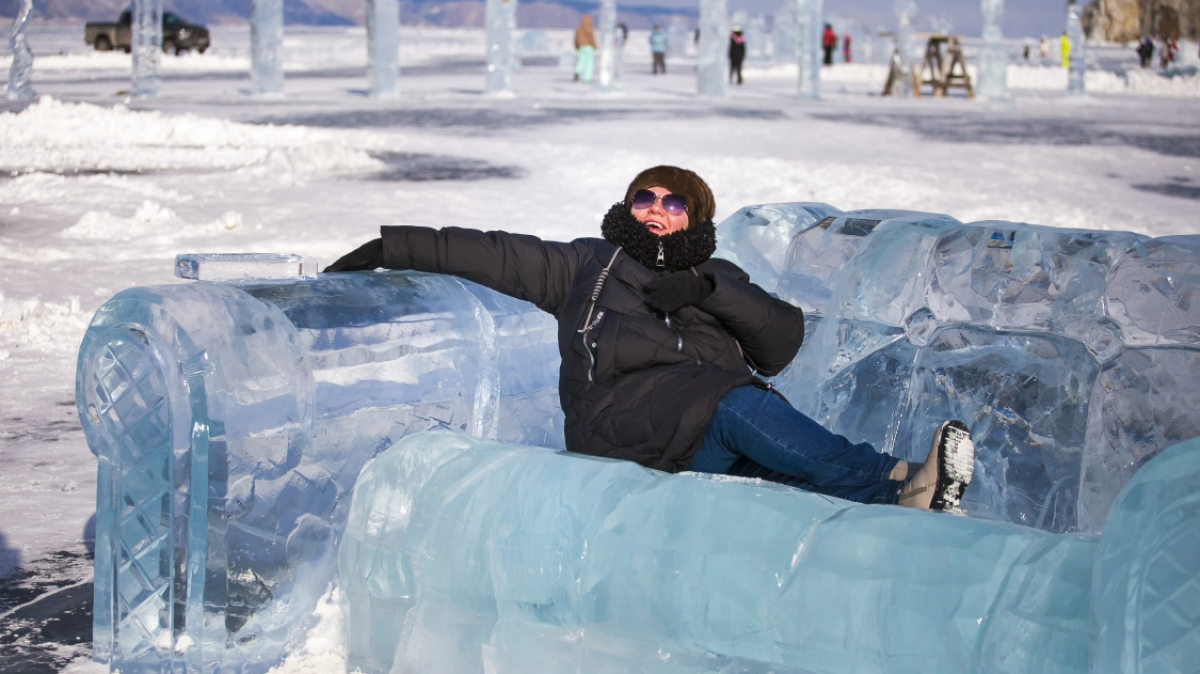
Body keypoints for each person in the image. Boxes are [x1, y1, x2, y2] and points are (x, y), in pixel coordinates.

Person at [324, 166, 977, 512]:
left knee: (770, 460)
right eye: (645, 198)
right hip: (618, 427)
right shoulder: (586, 263)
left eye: (674, 202)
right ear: (627, 208)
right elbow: (491, 252)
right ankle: (893, 479)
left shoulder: (717, 275)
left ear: (694, 217)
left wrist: (708, 292)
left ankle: (896, 501)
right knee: (735, 400)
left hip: (695, 434)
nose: (657, 210)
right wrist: (392, 244)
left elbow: (781, 340)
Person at [574, 15, 597, 83]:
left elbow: (575, 39)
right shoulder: (589, 28)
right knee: (589, 63)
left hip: (581, 47)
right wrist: (594, 45)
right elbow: (591, 38)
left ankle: (577, 71)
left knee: (581, 61)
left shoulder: (579, 29)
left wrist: (577, 46)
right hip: (589, 47)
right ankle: (587, 78)